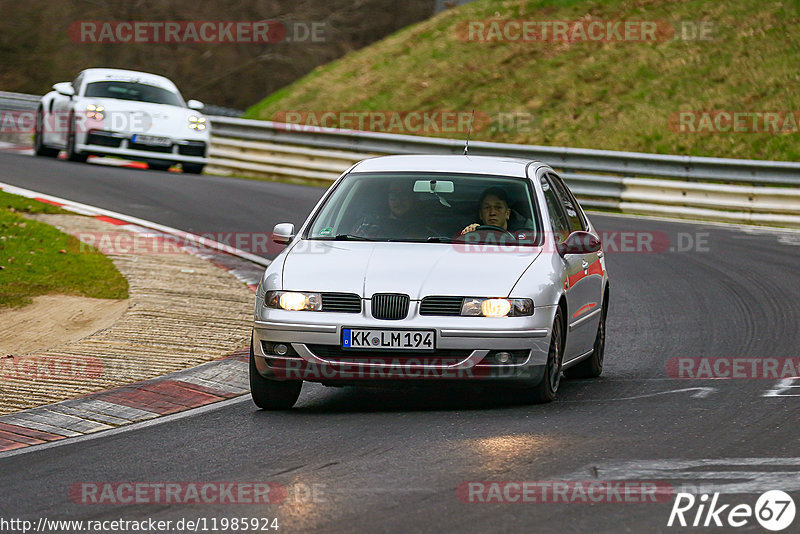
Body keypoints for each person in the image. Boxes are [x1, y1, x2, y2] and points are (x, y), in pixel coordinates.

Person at [352, 181, 429, 238]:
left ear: (413, 198)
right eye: (394, 195)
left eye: (404, 194)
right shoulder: (367, 224)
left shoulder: (427, 228)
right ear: (386, 198)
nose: (399, 200)